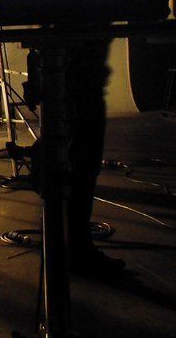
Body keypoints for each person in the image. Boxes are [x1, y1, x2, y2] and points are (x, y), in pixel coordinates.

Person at [64, 39, 126, 277]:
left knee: (79, 169)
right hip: (82, 90)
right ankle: (78, 252)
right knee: (81, 170)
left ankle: (73, 247)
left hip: (79, 87)